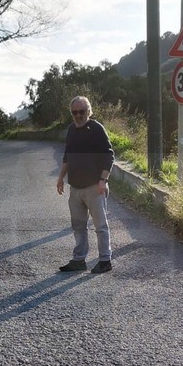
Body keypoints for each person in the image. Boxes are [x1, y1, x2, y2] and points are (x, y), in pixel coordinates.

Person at [56, 96, 115, 274]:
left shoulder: (96, 129)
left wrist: (103, 180)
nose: (78, 115)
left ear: (88, 111)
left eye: (81, 112)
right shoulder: (71, 130)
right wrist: (60, 178)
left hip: (94, 187)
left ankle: (105, 260)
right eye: (74, 112)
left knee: (100, 226)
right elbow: (67, 156)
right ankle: (79, 260)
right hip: (75, 188)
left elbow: (109, 155)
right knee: (78, 226)